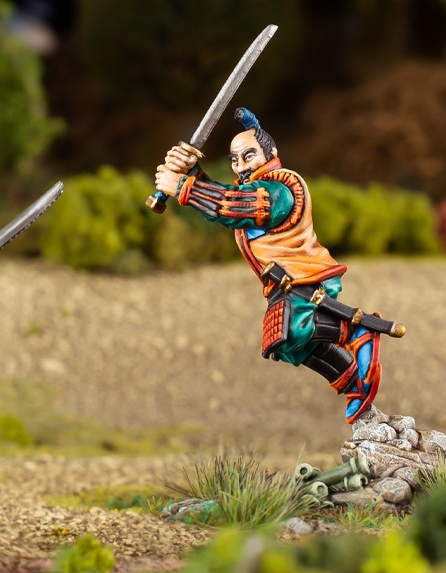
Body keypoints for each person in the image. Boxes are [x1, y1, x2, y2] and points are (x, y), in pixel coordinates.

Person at [153, 107, 399, 423]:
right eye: (234, 159)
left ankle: (355, 332)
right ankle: (352, 381)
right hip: (284, 282)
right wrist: (192, 173)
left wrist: (183, 187)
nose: (241, 165)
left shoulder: (279, 188)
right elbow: (229, 208)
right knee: (285, 344)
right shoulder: (253, 186)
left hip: (307, 278)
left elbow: (233, 204)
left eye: (248, 156)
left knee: (292, 331)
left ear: (270, 153)